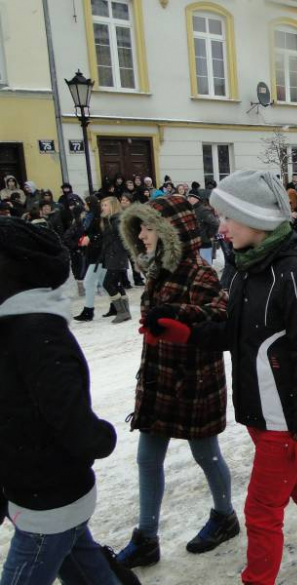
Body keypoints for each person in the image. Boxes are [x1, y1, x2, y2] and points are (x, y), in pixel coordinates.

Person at [149, 171, 297, 585]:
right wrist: (186, 332)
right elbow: (237, 332)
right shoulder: (244, 267)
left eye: (228, 218)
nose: (221, 228)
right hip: (258, 410)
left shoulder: (294, 272)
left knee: (261, 511)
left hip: (285, 418)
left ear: (257, 218)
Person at [0, 217, 139, 585]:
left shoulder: (35, 332)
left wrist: (97, 438)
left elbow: (69, 415)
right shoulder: (13, 326)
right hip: (32, 485)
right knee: (86, 570)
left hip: (50, 493)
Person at [114, 195, 237, 569]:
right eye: (140, 228)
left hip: (193, 380)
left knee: (205, 453)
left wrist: (177, 313)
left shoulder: (200, 272)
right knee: (147, 457)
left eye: (150, 227)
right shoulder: (156, 270)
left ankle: (225, 515)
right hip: (158, 378)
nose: (143, 234)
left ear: (172, 233)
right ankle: (146, 537)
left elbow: (219, 315)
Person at [97, 196, 132, 323]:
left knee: (108, 283)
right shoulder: (111, 220)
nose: (103, 208)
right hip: (114, 256)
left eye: (105, 205)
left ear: (112, 206)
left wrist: (120, 251)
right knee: (116, 283)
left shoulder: (116, 220)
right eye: (102, 205)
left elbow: (125, 238)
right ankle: (125, 311)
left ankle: (122, 312)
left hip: (116, 256)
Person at [74, 196, 107, 322]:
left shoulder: (98, 218)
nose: (84, 206)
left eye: (85, 203)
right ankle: (118, 305)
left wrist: (91, 238)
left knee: (89, 282)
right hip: (92, 253)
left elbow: (102, 234)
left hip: (98, 255)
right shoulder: (88, 217)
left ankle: (88, 311)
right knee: (106, 282)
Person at [187, 191, 220, 265]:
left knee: (206, 266)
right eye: (188, 197)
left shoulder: (202, 210)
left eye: (190, 197)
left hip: (204, 244)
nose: (188, 199)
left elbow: (215, 223)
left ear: (196, 199)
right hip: (196, 244)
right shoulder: (191, 209)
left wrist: (209, 234)